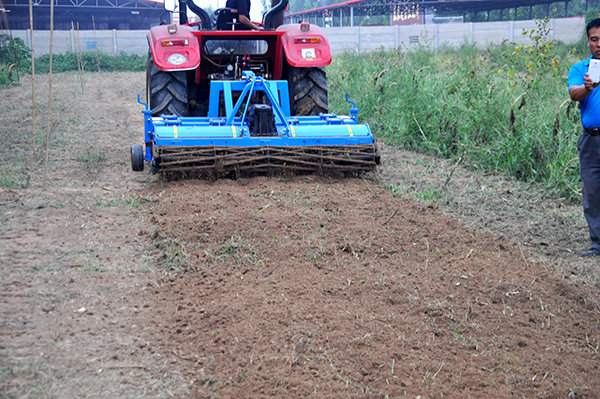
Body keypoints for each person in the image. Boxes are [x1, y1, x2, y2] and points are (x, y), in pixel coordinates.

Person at [568, 18, 600, 256]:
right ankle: (597, 243)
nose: (599, 44)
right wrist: (588, 88)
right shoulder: (580, 70)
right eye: (594, 39)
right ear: (588, 42)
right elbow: (573, 93)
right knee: (592, 193)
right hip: (591, 140)